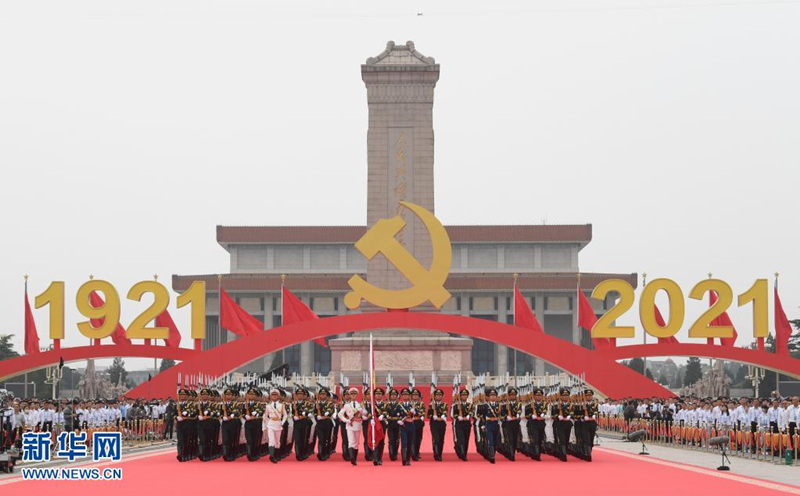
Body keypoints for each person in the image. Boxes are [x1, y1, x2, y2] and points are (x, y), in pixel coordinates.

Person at [338, 387, 367, 466]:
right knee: (351, 442)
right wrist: (345, 420)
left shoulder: (360, 404)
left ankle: (355, 457)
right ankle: (352, 458)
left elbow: (365, 413)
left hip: (357, 425)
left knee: (356, 443)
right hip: (349, 425)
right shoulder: (347, 405)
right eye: (352, 394)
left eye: (355, 394)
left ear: (357, 395)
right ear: (350, 395)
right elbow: (340, 414)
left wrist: (363, 415)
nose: (353, 395)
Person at [476, 388, 501, 463]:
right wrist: (483, 425)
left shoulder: (499, 405)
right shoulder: (485, 406)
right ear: (489, 397)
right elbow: (481, 416)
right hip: (489, 424)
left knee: (496, 441)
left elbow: (501, 415)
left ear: (496, 397)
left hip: (496, 424)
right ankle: (492, 457)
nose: (493, 397)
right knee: (490, 441)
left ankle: (493, 453)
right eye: (491, 395)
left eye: (494, 395)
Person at [264, 387, 288, 463]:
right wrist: (267, 424)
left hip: (278, 423)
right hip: (271, 423)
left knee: (277, 441)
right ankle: (271, 456)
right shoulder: (268, 406)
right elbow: (265, 416)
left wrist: (282, 422)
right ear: (270, 396)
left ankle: (276, 456)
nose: (274, 396)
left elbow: (285, 415)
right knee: (271, 440)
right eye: (272, 395)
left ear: (278, 396)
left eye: (276, 395)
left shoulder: (281, 405)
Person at [525, 387, 547, 461]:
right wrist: (531, 416)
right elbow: (527, 416)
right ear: (534, 396)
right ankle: (537, 454)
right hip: (533, 424)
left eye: (540, 395)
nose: (538, 397)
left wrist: (540, 416)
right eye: (537, 395)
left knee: (540, 439)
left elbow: (544, 412)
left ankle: (536, 452)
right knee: (535, 439)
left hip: (541, 424)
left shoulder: (544, 404)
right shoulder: (529, 405)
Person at [551, 387, 573, 462]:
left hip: (568, 424)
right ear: (561, 396)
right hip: (560, 424)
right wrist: (558, 417)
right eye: (564, 395)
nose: (565, 397)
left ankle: (562, 452)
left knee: (566, 440)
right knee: (562, 440)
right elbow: (552, 415)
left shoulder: (571, 405)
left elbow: (573, 413)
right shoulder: (556, 405)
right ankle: (563, 455)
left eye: (567, 395)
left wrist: (570, 416)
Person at [395, 388, 416, 466]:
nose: (405, 396)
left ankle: (408, 459)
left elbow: (416, 416)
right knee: (404, 442)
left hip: (411, 426)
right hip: (403, 426)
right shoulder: (399, 405)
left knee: (409, 443)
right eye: (404, 395)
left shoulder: (412, 406)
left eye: (407, 395)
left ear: (409, 396)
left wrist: (414, 413)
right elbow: (395, 415)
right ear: (402, 396)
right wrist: (398, 421)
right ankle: (404, 459)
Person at [315, 387, 336, 461]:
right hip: (319, 423)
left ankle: (326, 453)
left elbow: (331, 410)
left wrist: (327, 413)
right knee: (321, 439)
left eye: (324, 394)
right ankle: (321, 453)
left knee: (327, 439)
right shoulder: (317, 403)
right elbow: (313, 412)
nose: (322, 396)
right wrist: (316, 416)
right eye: (321, 394)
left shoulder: (330, 404)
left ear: (327, 396)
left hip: (327, 423)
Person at [500, 387, 521, 461]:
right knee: (510, 439)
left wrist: (516, 417)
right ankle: (512, 455)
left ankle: (512, 452)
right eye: (511, 395)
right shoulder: (504, 405)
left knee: (515, 440)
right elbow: (502, 415)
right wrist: (506, 417)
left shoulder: (518, 404)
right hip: (508, 424)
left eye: (514, 395)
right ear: (509, 396)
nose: (513, 396)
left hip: (515, 424)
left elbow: (519, 412)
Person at [451, 389, 473, 461]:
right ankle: (463, 454)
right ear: (460, 396)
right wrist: (458, 417)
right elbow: (452, 414)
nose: (464, 396)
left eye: (465, 395)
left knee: (466, 439)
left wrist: (468, 416)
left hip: (467, 424)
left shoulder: (469, 405)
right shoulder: (456, 405)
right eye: (463, 395)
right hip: (459, 424)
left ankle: (464, 453)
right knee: (461, 439)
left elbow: (472, 412)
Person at [427, 388, 447, 461]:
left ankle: (440, 453)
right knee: (436, 439)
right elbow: (428, 416)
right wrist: (433, 416)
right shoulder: (431, 405)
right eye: (437, 395)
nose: (438, 397)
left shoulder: (444, 404)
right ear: (434, 396)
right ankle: (436, 454)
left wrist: (441, 417)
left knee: (441, 439)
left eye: (440, 395)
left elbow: (445, 413)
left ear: (442, 396)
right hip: (434, 424)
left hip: (442, 423)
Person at [385, 388, 401, 461]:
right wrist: (386, 420)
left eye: (395, 395)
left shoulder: (400, 405)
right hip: (390, 423)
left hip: (397, 424)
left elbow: (402, 413)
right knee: (391, 439)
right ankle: (391, 454)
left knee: (397, 439)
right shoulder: (387, 405)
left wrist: (400, 420)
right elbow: (384, 413)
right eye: (392, 395)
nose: (393, 396)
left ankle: (395, 453)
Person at [411, 389, 425, 461]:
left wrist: (415, 412)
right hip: (411, 422)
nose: (415, 396)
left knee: (418, 439)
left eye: (416, 395)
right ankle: (413, 454)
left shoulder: (421, 404)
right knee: (412, 439)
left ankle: (416, 452)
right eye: (414, 395)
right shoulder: (409, 404)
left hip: (418, 423)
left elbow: (421, 413)